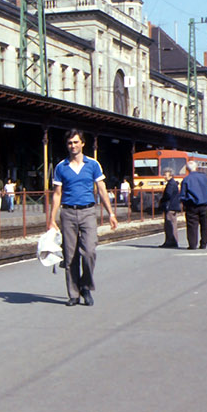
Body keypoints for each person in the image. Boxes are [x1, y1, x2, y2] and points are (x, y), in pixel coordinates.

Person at [49, 130, 119, 306]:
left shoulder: (93, 164)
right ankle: (73, 293)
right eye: (70, 143)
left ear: (82, 143)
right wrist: (51, 219)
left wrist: (111, 213)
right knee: (70, 255)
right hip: (68, 213)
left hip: (88, 212)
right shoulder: (61, 167)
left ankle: (85, 285)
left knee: (89, 252)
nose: (73, 146)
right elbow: (57, 194)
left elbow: (102, 190)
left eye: (75, 142)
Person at [179, 159, 207, 250]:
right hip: (204, 205)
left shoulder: (186, 180)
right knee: (205, 225)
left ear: (187, 169)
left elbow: (182, 195)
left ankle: (192, 245)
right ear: (196, 168)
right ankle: (203, 244)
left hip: (191, 206)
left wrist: (185, 203)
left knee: (192, 226)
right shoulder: (204, 178)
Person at [159, 168, 183, 248]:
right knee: (172, 224)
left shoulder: (170, 184)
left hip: (170, 206)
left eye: (165, 174)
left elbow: (168, 194)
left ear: (170, 175)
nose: (164, 176)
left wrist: (162, 200)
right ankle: (173, 241)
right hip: (173, 206)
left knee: (169, 224)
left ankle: (170, 241)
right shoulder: (173, 183)